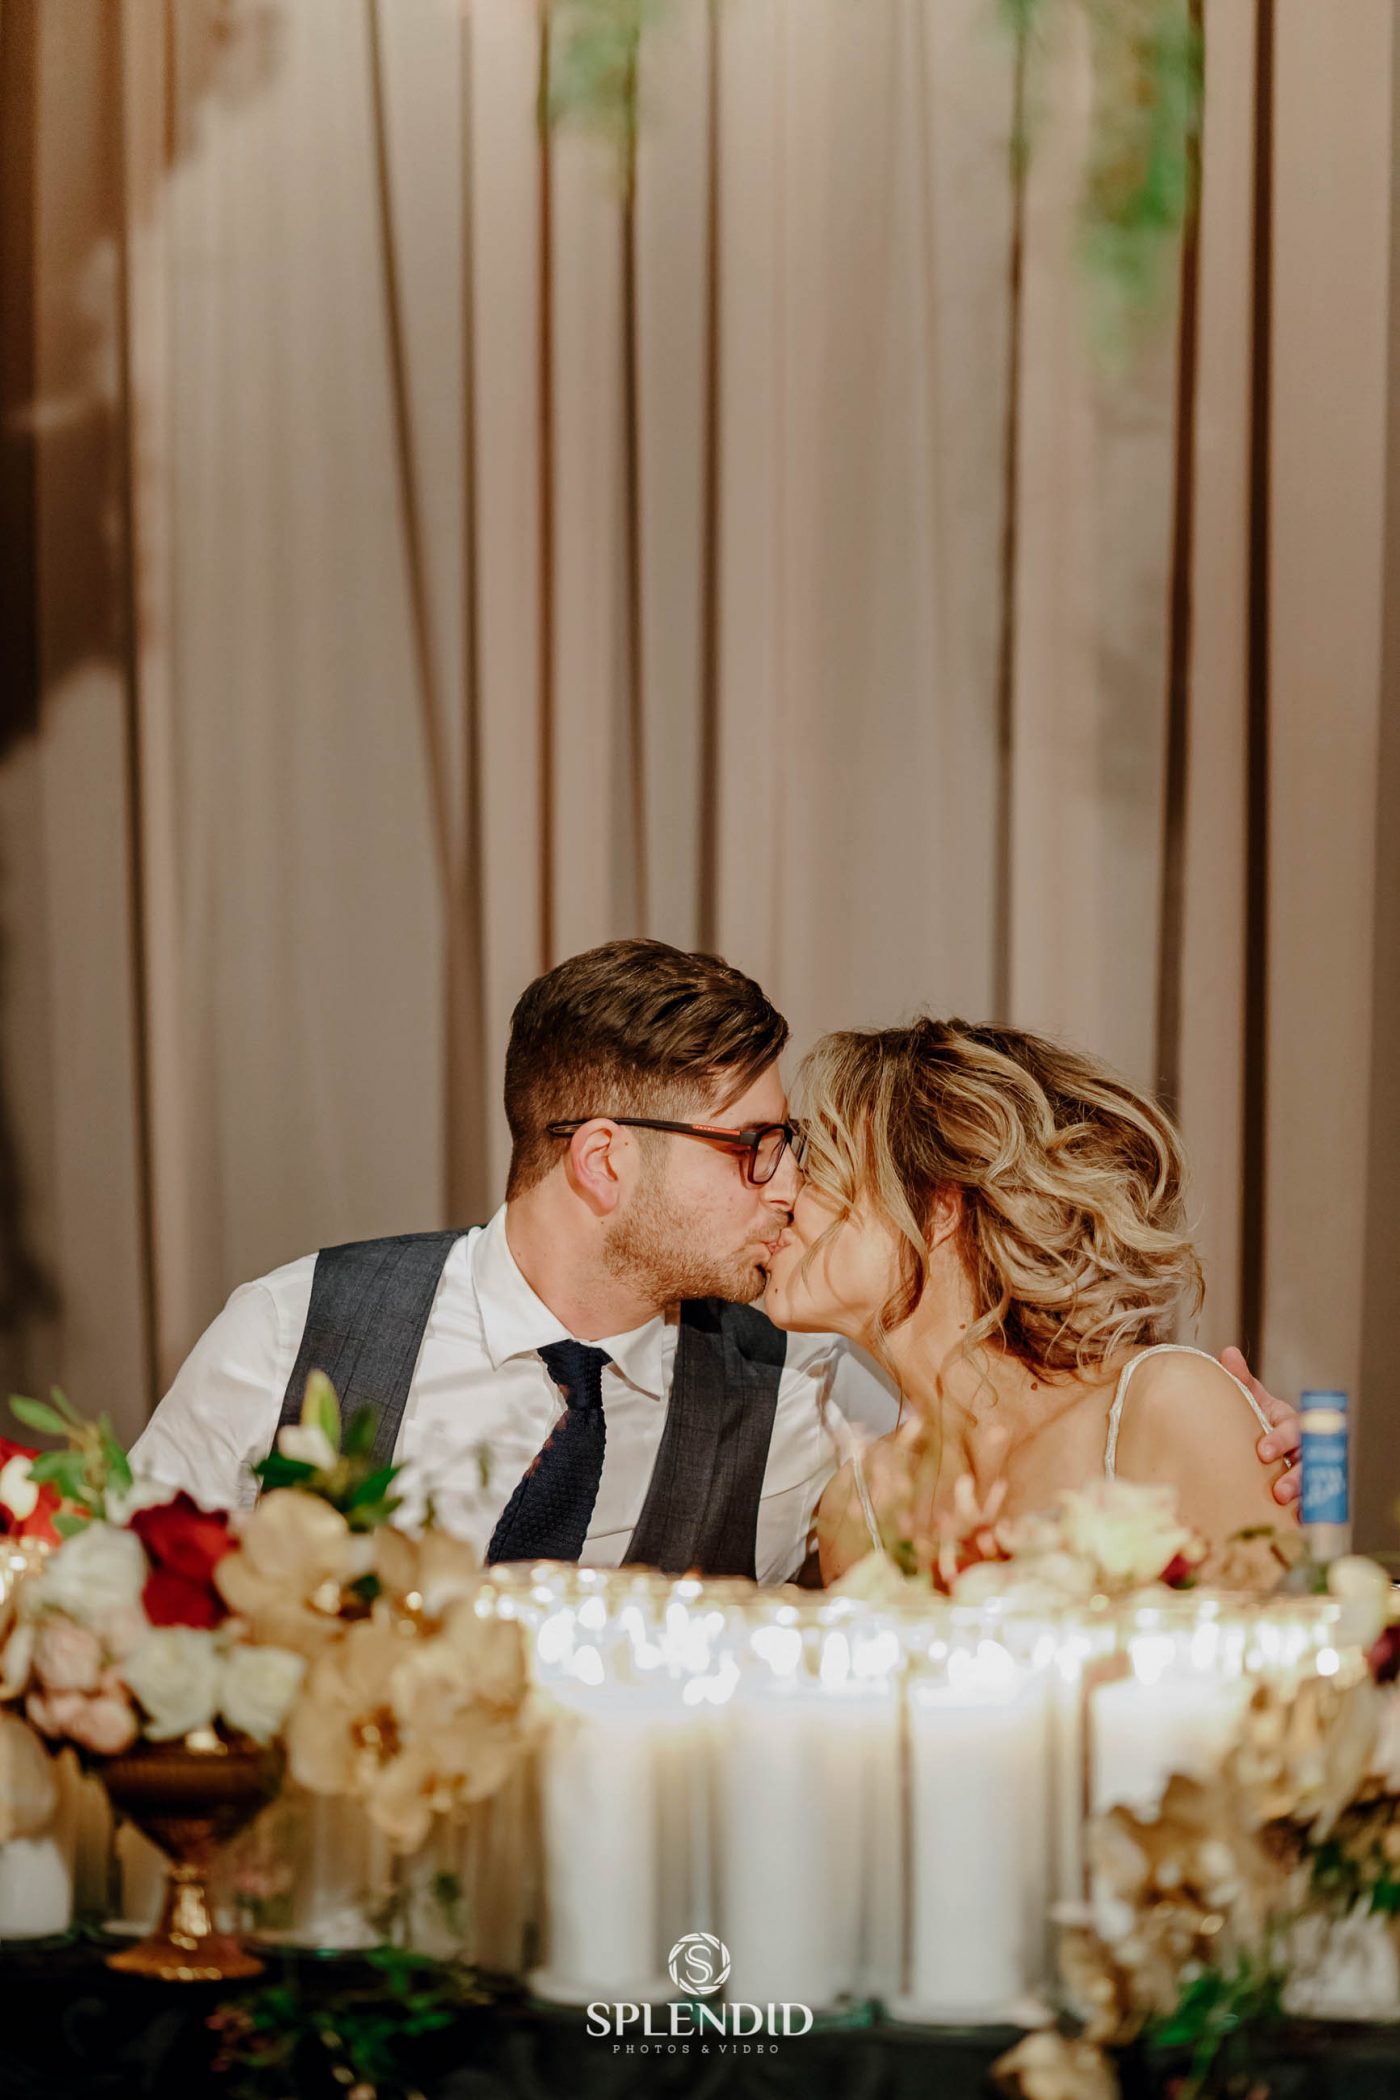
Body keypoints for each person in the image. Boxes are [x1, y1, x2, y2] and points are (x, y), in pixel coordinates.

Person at [131, 943, 1299, 1583]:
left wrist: (1276, 1463)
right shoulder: (295, 1328)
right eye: (753, 1148)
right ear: (602, 1160)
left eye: (801, 1152)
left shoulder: (802, 1405)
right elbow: (115, 1604)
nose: (783, 1186)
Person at [760, 1016, 1297, 1584]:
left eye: (820, 1163)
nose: (784, 1191)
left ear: (938, 1208)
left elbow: (1291, 1636)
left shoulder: (1167, 1406)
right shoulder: (859, 1508)